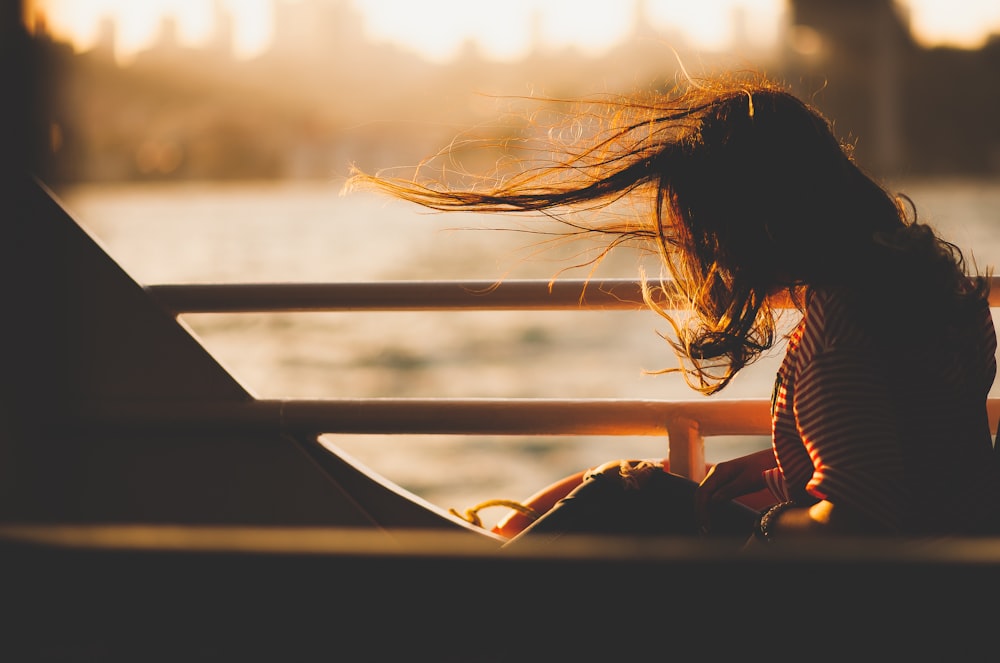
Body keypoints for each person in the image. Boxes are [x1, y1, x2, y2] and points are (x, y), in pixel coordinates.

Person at [346, 71, 1000, 545]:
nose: (707, 259)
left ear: (758, 225)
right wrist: (761, 471)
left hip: (880, 607)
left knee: (627, 496)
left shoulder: (838, 326)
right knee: (631, 483)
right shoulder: (932, 285)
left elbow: (859, 514)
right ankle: (503, 540)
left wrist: (766, 528)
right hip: (950, 571)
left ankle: (470, 586)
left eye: (708, 237)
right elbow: (916, 447)